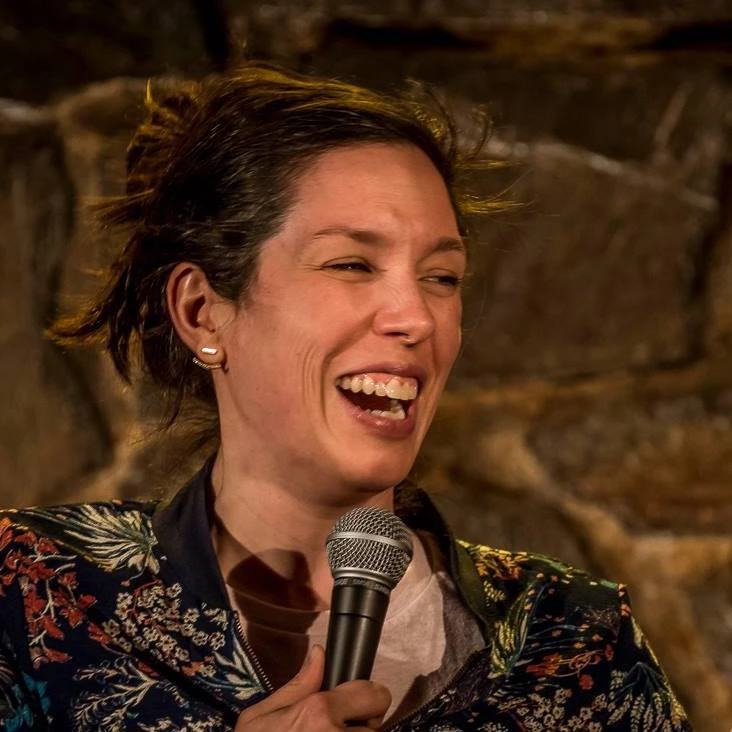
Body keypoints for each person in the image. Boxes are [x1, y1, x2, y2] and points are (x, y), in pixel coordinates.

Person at [0, 62, 690, 731]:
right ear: (202, 313)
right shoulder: (38, 592)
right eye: (352, 264)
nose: (416, 318)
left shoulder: (576, 644)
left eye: (442, 277)